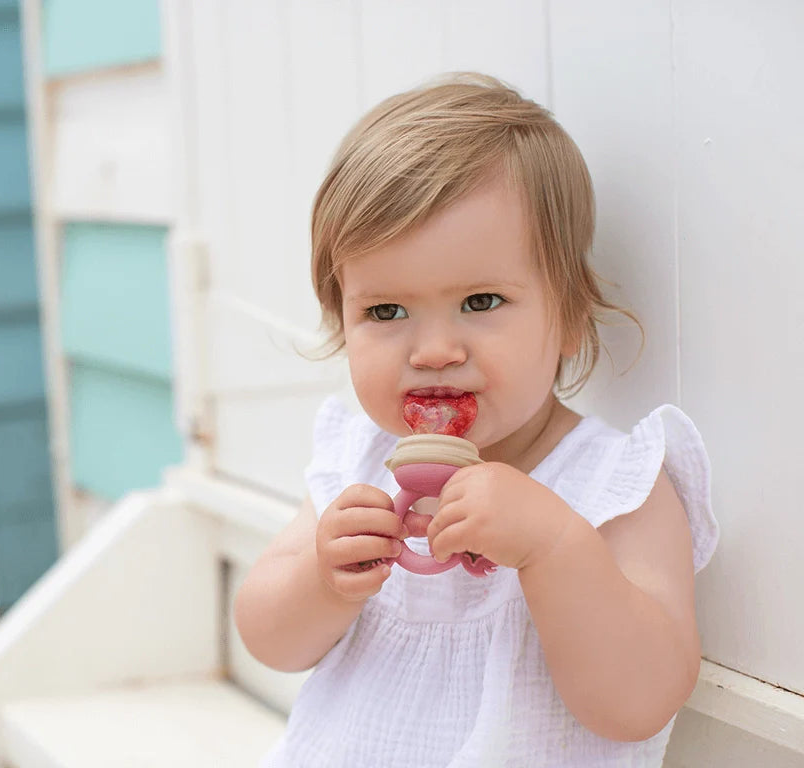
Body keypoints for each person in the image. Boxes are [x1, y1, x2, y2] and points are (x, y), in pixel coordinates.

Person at [234, 72, 719, 767]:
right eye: (387, 312)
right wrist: (321, 577)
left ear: (572, 319)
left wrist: (553, 546)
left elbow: (637, 704)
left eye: (482, 301)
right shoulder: (360, 465)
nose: (433, 351)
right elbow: (268, 639)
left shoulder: (614, 485)